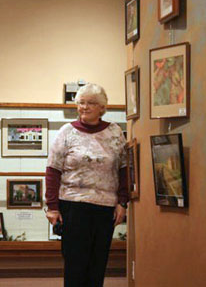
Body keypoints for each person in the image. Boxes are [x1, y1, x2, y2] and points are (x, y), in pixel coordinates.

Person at [45, 83, 128, 287]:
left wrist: (122, 202)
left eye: (91, 103)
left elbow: (124, 168)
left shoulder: (115, 132)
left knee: (97, 264)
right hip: (73, 205)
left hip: (105, 207)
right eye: (81, 102)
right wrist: (53, 207)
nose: (84, 107)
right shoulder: (66, 132)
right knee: (75, 264)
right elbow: (53, 170)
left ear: (102, 107)